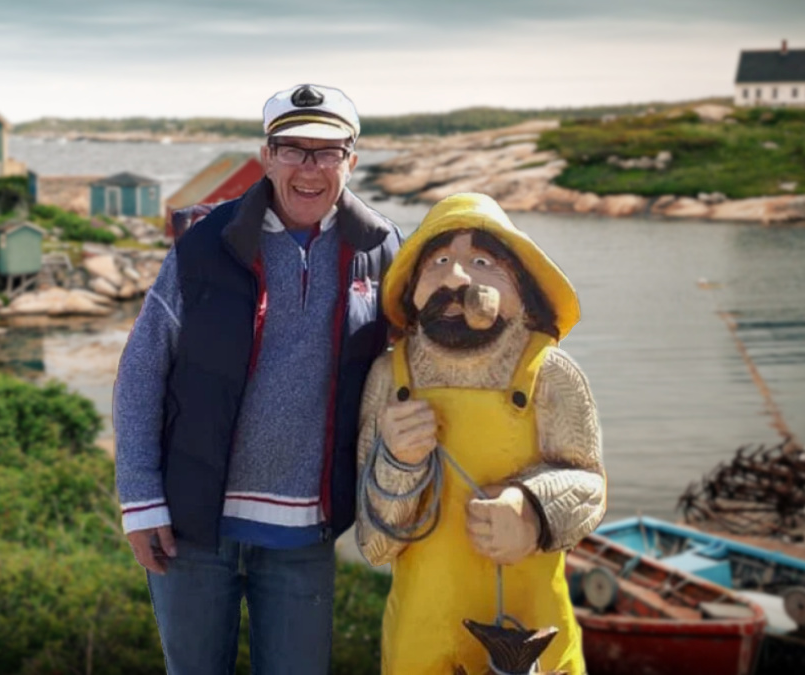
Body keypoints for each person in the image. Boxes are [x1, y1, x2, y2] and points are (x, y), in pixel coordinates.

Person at [113, 83, 401, 675]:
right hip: (192, 528)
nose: (309, 168)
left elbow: (418, 365)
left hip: (305, 535)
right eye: (292, 149)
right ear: (266, 156)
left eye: (327, 151)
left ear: (353, 158)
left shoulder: (381, 248)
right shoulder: (203, 245)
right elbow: (143, 368)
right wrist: (141, 501)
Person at [356, 193, 606, 674]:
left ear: (522, 288)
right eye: (440, 262)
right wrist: (398, 463)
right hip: (423, 632)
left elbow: (592, 487)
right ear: (412, 289)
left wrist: (533, 510)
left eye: (483, 262)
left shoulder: (549, 373)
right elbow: (375, 544)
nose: (456, 279)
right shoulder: (390, 378)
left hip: (532, 629)